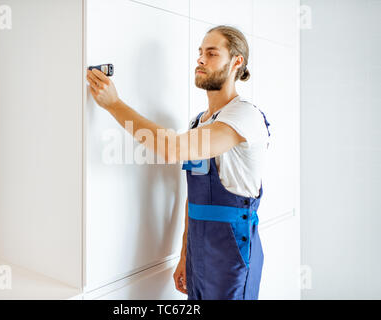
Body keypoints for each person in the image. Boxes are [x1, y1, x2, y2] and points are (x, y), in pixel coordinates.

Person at [86, 25, 270, 300]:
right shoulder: (198, 122)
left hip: (233, 254)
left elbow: (172, 149)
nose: (200, 59)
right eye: (200, 53)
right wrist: (185, 254)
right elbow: (193, 198)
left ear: (236, 62)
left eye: (211, 53)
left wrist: (114, 105)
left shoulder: (245, 116)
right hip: (199, 250)